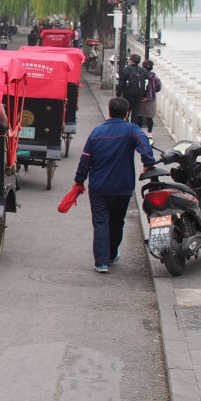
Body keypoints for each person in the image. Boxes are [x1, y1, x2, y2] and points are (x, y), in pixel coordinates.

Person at [73, 97, 154, 273]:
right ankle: (110, 254)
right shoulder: (131, 129)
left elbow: (85, 158)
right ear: (127, 114)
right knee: (117, 221)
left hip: (99, 187)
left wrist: (79, 179)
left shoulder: (96, 132)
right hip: (122, 187)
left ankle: (101, 262)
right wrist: (148, 162)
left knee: (101, 222)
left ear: (109, 111)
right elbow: (144, 144)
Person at [116, 52, 149, 125]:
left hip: (128, 94)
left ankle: (126, 127)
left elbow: (121, 83)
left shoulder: (125, 70)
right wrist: (144, 95)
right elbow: (146, 83)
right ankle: (133, 128)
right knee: (135, 113)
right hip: (139, 95)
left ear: (131, 60)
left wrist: (118, 94)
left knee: (126, 111)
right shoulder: (143, 70)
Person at [138, 59, 162, 132]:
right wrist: (152, 91)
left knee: (139, 117)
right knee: (149, 118)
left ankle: (139, 132)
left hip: (140, 98)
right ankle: (149, 133)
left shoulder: (139, 74)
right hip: (151, 99)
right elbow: (158, 86)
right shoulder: (154, 76)